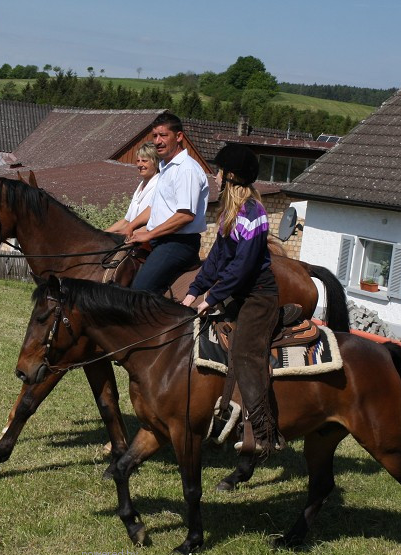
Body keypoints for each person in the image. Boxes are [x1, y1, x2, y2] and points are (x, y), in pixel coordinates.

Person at [181, 144, 282, 456]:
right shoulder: (229, 213)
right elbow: (215, 260)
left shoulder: (256, 215)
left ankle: (265, 434)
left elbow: (242, 267)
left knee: (245, 354)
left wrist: (212, 297)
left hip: (259, 297)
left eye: (219, 170)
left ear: (231, 176)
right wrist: (192, 292)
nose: (216, 175)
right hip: (236, 292)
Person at [124, 113, 208, 294]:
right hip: (159, 240)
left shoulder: (186, 169)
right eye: (154, 136)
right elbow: (154, 207)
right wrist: (132, 225)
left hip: (178, 244)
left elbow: (185, 215)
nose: (158, 141)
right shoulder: (165, 167)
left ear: (178, 137)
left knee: (140, 291)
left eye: (163, 135)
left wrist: (148, 234)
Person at [106, 142, 160, 234]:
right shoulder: (140, 188)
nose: (140, 165)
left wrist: (122, 235)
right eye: (138, 161)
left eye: (144, 161)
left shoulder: (159, 186)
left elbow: (153, 223)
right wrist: (102, 234)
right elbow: (126, 221)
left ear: (155, 162)